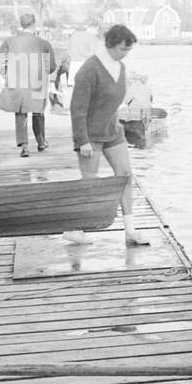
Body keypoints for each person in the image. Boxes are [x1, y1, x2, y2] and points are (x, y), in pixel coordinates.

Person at [68, 24, 149, 246]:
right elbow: (77, 108)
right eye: (123, 48)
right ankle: (77, 229)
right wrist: (82, 140)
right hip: (90, 135)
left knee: (125, 176)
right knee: (90, 183)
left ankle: (130, 231)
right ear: (111, 44)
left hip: (113, 132)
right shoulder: (90, 69)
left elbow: (114, 102)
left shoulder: (121, 68)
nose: (126, 53)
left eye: (129, 49)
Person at [0, 12, 56, 156]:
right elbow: (51, 67)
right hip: (37, 82)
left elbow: (1, 63)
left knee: (21, 113)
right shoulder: (44, 44)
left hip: (17, 83)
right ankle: (41, 141)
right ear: (34, 24)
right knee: (38, 112)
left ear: (21, 25)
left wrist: (6, 75)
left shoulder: (8, 42)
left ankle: (24, 145)